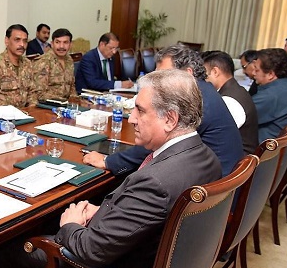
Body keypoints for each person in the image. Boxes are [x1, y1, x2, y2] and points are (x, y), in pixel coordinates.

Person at [0, 69, 221, 268]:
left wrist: (70, 225)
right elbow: (148, 214)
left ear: (170, 119)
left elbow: (90, 251)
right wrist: (106, 210)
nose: (131, 118)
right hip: (141, 246)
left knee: (5, 251)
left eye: (140, 110)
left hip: (107, 262)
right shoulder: (206, 157)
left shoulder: (156, 183)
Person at [84, 44, 243, 177]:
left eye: (164, 75)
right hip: (215, 183)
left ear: (187, 74)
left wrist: (108, 162)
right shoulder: (204, 91)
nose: (158, 82)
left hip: (211, 195)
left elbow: (157, 145)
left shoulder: (197, 101)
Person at [202, 50, 258, 155]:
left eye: (204, 75)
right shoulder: (237, 90)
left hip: (240, 164)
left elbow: (215, 137)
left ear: (215, 72)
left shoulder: (229, 101)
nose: (202, 80)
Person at [252, 48, 287, 143]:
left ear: (270, 74)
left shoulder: (271, 95)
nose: (253, 73)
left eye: (257, 70)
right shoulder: (286, 85)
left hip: (262, 148)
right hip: (276, 144)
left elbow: (238, 117)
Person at [0, 24, 37, 107]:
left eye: (25, 41)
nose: (22, 44)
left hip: (26, 115)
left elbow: (32, 92)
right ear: (7, 41)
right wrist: (13, 111)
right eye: (17, 40)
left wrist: (32, 108)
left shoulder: (28, 64)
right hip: (5, 116)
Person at [32, 28, 76, 101]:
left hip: (66, 106)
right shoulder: (44, 61)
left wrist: (75, 100)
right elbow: (39, 94)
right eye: (57, 42)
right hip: (48, 105)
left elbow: (72, 87)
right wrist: (63, 101)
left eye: (65, 42)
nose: (61, 46)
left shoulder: (69, 60)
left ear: (70, 45)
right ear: (52, 44)